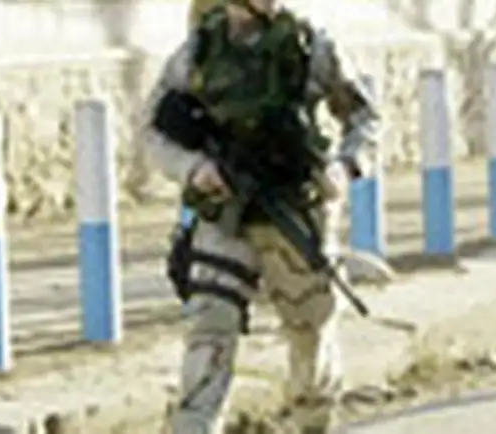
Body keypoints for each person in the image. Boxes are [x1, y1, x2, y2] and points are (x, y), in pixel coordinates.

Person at [137, 0, 380, 432]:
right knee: (210, 326)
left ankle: (313, 422)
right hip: (226, 211)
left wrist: (344, 167)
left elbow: (365, 116)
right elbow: (153, 129)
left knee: (310, 333)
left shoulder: (310, 47)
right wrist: (193, 168)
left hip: (295, 212)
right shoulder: (199, 50)